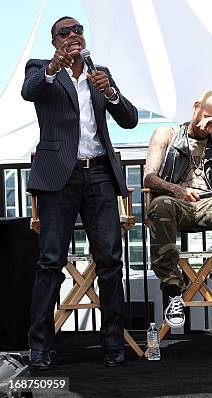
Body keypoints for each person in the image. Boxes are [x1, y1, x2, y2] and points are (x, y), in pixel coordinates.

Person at [22, 16, 138, 369]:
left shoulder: (98, 71)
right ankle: (40, 346)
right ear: (54, 40)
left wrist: (111, 93)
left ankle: (113, 342)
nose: (73, 35)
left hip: (99, 174)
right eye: (65, 32)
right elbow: (29, 91)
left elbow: (129, 119)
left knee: (111, 262)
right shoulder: (42, 69)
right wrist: (55, 65)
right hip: (60, 177)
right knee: (50, 262)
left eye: (78, 31)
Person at [143, 90, 212, 327]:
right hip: (177, 203)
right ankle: (173, 288)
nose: (209, 123)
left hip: (211, 202)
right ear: (196, 106)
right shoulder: (166, 134)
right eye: (208, 116)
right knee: (159, 205)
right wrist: (175, 189)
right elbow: (148, 178)